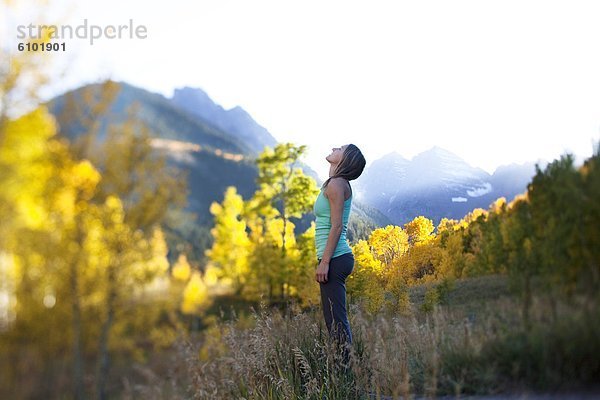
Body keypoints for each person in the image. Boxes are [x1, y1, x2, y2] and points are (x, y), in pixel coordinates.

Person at [314, 143, 366, 364]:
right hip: (335, 257)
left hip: (334, 259)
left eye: (341, 148)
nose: (334, 147)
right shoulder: (337, 183)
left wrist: (324, 262)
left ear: (345, 160)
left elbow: (336, 226)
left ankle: (346, 375)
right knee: (333, 320)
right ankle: (344, 370)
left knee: (336, 321)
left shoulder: (336, 184)